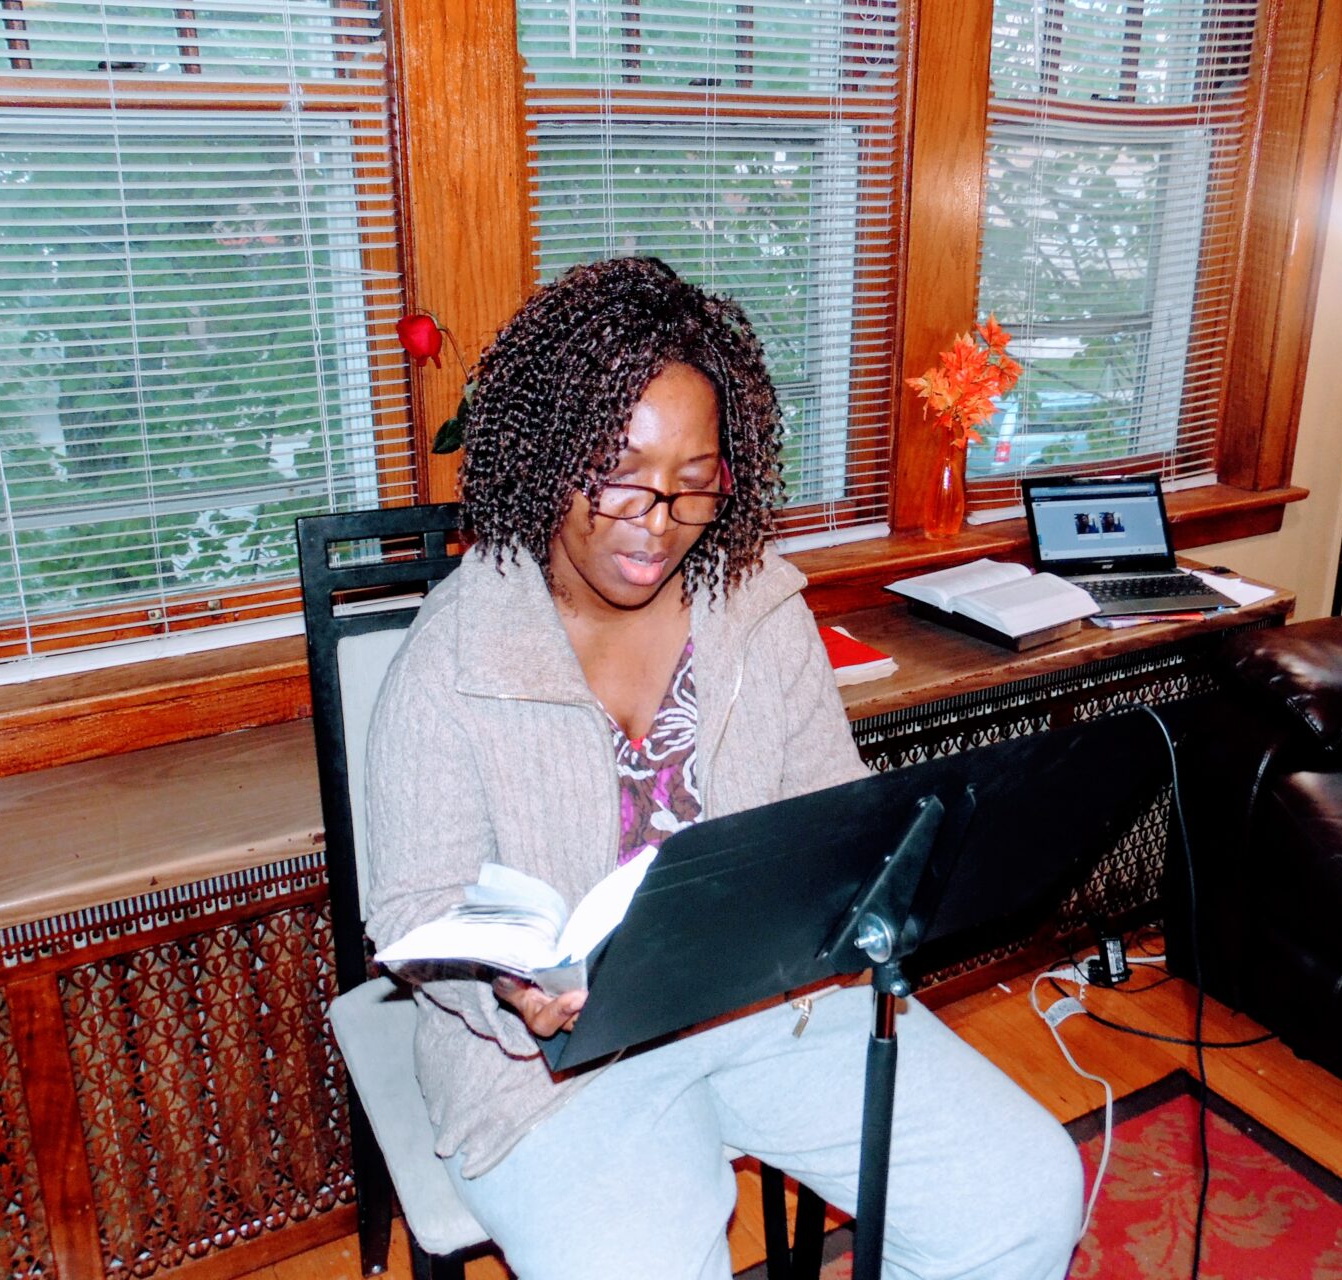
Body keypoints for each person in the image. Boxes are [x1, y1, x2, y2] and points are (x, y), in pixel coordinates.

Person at [366, 257, 1083, 1280]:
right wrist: (505, 984)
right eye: (615, 473)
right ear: (546, 453)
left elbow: (832, 815)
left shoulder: (759, 612)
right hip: (553, 1065)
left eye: (694, 485)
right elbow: (411, 905)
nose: (653, 524)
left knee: (1023, 1196)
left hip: (768, 1002)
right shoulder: (452, 658)